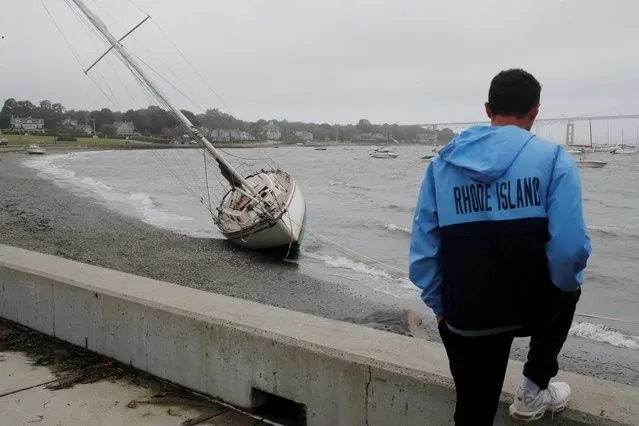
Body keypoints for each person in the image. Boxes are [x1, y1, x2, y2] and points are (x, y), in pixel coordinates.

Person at [409, 68, 590, 425]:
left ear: (488, 108)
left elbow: (424, 249)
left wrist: (441, 308)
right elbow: (569, 252)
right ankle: (534, 388)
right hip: (530, 309)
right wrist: (557, 288)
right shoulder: (554, 159)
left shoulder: (442, 163)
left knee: (473, 412)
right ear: (535, 111)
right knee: (571, 289)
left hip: (466, 315)